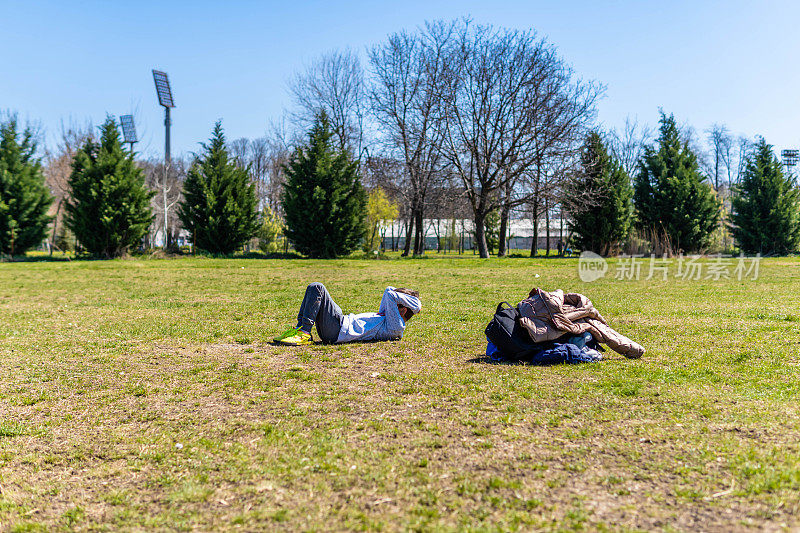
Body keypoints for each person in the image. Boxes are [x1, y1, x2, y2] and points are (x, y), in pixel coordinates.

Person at [273, 282, 422, 346]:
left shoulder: (395, 327)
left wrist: (417, 305)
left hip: (337, 330)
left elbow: (390, 295)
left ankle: (304, 332)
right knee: (314, 288)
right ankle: (300, 330)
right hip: (338, 325)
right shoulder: (388, 318)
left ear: (402, 311)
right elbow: (389, 290)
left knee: (318, 288)